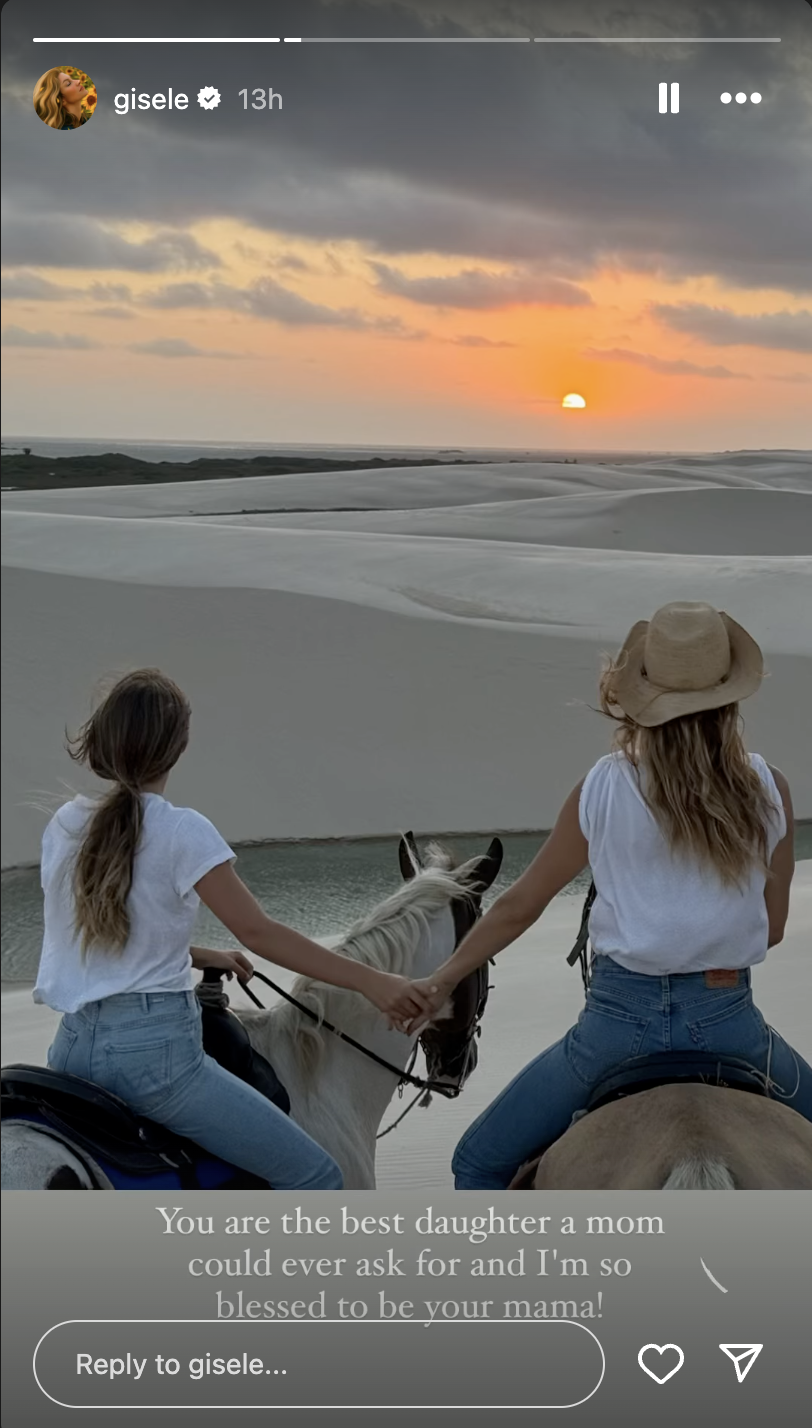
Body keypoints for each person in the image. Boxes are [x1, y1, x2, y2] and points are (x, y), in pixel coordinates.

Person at [398, 602, 812, 1189]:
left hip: (616, 1030)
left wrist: (439, 981)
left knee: (478, 1161)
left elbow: (520, 906)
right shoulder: (770, 789)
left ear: (641, 696)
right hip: (730, 1024)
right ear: (730, 696)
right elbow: (770, 928)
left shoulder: (602, 786)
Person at [36, 669, 432, 1190]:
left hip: (71, 1047)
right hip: (155, 1062)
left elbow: (94, 935)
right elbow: (260, 933)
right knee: (319, 1177)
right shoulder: (182, 830)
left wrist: (197, 954)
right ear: (178, 745)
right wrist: (375, 981)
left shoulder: (66, 821)